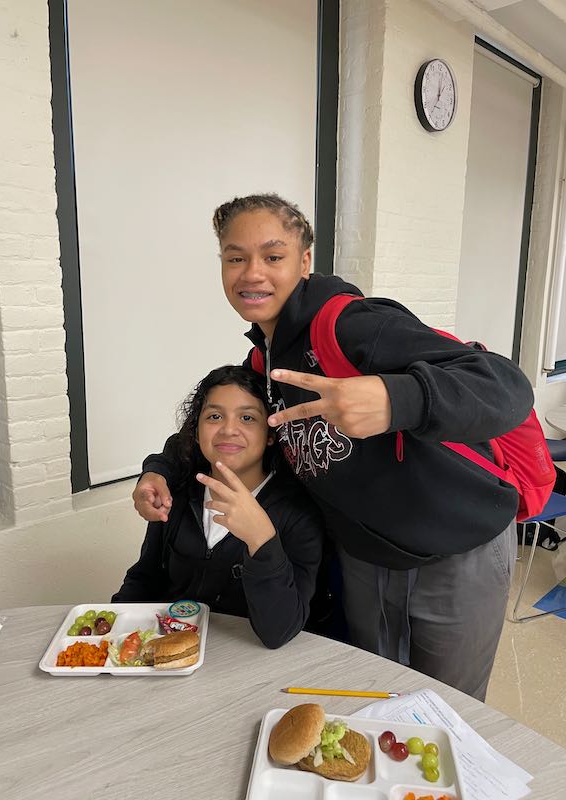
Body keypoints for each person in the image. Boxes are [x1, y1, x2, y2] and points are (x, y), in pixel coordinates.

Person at [133, 194, 534, 699]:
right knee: (375, 697)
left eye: (273, 256)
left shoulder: (351, 324)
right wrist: (159, 470)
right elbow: (213, 427)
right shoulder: (265, 364)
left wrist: (394, 398)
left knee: (448, 710)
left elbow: (506, 386)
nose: (252, 273)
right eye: (236, 258)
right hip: (364, 559)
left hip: (455, 551)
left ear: (304, 262)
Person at [115, 364, 324, 649]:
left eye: (247, 418)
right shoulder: (177, 493)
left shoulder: (298, 512)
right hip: (171, 651)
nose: (228, 430)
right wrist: (112, 637)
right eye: (214, 416)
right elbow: (145, 579)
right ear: (196, 431)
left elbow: (280, 631)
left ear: (271, 433)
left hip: (249, 661)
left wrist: (261, 541)